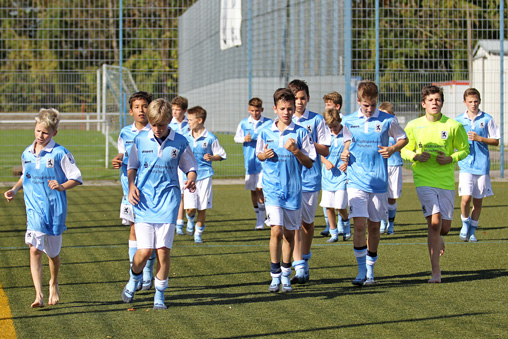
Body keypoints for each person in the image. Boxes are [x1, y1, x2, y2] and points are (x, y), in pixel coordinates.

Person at [121, 98, 197, 309]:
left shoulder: (180, 141)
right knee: (144, 251)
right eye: (153, 124)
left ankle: (159, 295)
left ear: (169, 121)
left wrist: (191, 178)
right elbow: (131, 166)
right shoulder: (140, 140)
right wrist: (131, 185)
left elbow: (190, 166)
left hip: (168, 203)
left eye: (161, 125)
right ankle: (134, 278)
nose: (156, 128)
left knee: (163, 250)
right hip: (144, 201)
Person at [4, 108, 82, 308]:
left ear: (54, 133)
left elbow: (76, 177)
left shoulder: (60, 153)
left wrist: (61, 186)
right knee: (34, 250)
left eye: (45, 132)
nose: (40, 135)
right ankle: (38, 294)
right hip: (33, 211)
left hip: (54, 211)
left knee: (53, 255)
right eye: (38, 131)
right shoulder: (27, 153)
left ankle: (53, 283)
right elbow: (25, 175)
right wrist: (14, 190)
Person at [341, 81, 407, 286]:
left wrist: (393, 149)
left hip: (379, 181)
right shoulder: (349, 120)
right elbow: (347, 139)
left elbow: (403, 138)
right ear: (359, 101)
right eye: (366, 105)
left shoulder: (388, 120)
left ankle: (371, 269)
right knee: (359, 224)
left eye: (373, 104)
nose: (369, 109)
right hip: (356, 180)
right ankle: (361, 271)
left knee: (374, 227)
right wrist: (345, 151)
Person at [401, 85, 469, 283]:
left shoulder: (453, 126)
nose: (434, 103)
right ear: (423, 104)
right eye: (430, 100)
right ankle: (436, 272)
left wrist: (450, 158)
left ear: (442, 102)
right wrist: (414, 155)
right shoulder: (414, 125)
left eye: (437, 100)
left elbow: (464, 149)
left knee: (444, 228)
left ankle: (439, 236)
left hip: (446, 181)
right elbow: (403, 149)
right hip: (424, 179)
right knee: (435, 222)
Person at [256, 88, 316, 292]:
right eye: (282, 108)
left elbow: (309, 163)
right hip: (272, 189)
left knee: (290, 235)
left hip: (293, 190)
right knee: (276, 230)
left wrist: (296, 151)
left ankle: (286, 274)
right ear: (275, 108)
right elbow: (259, 156)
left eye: (290, 109)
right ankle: (274, 276)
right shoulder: (265, 131)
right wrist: (264, 155)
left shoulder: (300, 132)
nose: (286, 112)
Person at [112, 91, 156, 290]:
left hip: (152, 189)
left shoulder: (156, 131)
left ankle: (147, 271)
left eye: (145, 106)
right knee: (133, 228)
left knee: (150, 232)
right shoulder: (125, 132)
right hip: (129, 188)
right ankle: (135, 272)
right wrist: (118, 158)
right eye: (137, 107)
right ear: (130, 111)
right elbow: (122, 152)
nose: (141, 110)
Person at [287, 79, 331, 284]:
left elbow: (326, 148)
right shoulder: (284, 121)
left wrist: (307, 144)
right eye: (295, 98)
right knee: (293, 224)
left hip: (311, 178)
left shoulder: (316, 120)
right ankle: (300, 267)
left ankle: (305, 256)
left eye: (302, 98)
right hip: (290, 180)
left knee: (307, 223)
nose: (298, 102)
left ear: (308, 99)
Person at [455, 88, 500, 242]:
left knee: (478, 201)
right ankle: (465, 223)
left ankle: (473, 231)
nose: (473, 104)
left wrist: (480, 138)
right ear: (464, 102)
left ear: (479, 101)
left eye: (475, 101)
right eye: (470, 102)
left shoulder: (487, 119)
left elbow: (495, 140)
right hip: (465, 165)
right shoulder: (459, 120)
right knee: (466, 198)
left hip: (482, 166)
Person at [184, 106, 227, 243]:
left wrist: (212, 158)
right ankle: (190, 219)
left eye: (190, 119)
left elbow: (221, 155)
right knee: (191, 209)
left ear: (200, 120)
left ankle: (198, 235)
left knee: (202, 208)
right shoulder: (185, 137)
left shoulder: (210, 138)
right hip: (189, 177)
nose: (188, 122)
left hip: (205, 176)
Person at [234, 97, 273, 229]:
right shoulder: (244, 123)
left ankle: (265, 218)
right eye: (252, 110)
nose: (255, 113)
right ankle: (259, 219)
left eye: (257, 110)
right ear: (248, 110)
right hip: (250, 161)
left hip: (264, 161)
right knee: (253, 190)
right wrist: (244, 139)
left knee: (261, 188)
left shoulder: (268, 123)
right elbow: (236, 138)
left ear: (261, 110)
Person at [319, 108, 350, 243]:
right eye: (330, 127)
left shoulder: (347, 134)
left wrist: (346, 163)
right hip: (327, 176)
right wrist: (325, 162)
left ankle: (346, 224)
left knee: (340, 206)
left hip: (342, 176)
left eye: (335, 126)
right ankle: (333, 233)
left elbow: (352, 152)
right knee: (328, 206)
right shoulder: (324, 135)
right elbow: (319, 153)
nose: (333, 130)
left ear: (340, 121)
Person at [321, 91, 344, 237]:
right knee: (327, 202)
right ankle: (330, 225)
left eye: (329, 105)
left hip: (342, 172)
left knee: (340, 203)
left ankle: (342, 224)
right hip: (328, 172)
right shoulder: (325, 124)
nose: (326, 108)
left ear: (337, 106)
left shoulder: (346, 123)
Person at [169, 96, 192, 236]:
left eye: (178, 110)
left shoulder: (190, 124)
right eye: (173, 110)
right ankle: (179, 223)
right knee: (179, 194)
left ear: (185, 110)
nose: (175, 112)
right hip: (174, 163)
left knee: (190, 192)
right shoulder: (168, 124)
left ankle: (190, 217)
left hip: (188, 162)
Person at [378, 102, 402, 235]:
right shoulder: (376, 129)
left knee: (392, 197)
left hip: (394, 165)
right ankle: (382, 222)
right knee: (381, 196)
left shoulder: (396, 129)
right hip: (381, 166)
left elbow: (403, 142)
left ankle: (391, 224)